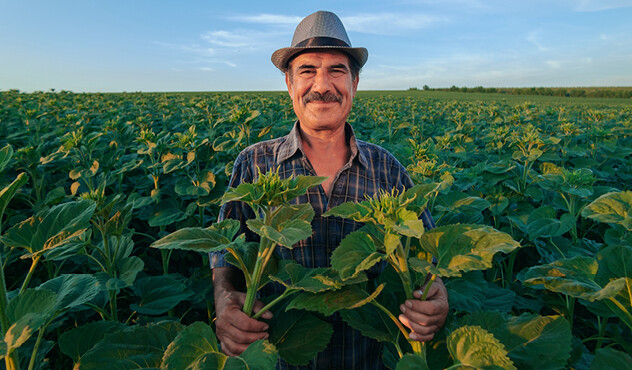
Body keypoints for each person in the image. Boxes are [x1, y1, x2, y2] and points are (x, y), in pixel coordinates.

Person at [211, 10, 448, 369]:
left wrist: (437, 297)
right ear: (289, 84)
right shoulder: (254, 164)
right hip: (279, 356)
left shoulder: (387, 169)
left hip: (369, 358)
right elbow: (225, 254)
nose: (322, 85)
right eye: (307, 70)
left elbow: (431, 254)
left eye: (336, 70)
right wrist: (225, 300)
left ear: (354, 84)